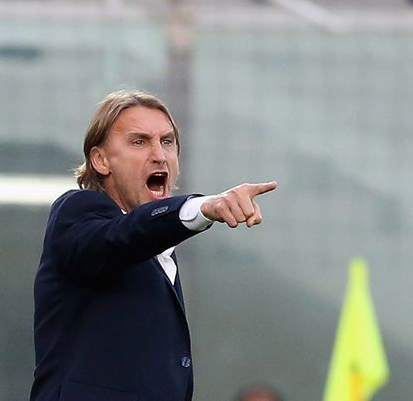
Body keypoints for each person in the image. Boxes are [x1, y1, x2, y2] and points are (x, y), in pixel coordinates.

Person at [29, 89, 277, 401]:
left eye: (167, 142)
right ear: (101, 160)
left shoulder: (160, 253)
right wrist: (202, 208)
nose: (159, 155)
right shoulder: (78, 211)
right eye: (139, 141)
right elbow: (122, 237)